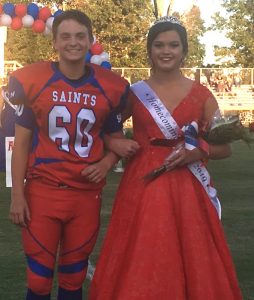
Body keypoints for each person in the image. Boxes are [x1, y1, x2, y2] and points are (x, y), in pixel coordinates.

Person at [88, 16, 243, 300]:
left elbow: (226, 148)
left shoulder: (202, 95)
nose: (166, 51)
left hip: (189, 190)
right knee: (143, 250)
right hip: (142, 186)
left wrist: (198, 152)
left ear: (184, 50)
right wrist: (115, 142)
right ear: (150, 50)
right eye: (159, 45)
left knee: (192, 255)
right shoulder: (133, 93)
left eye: (173, 45)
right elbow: (105, 131)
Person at [8, 9, 137, 300]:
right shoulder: (33, 79)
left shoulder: (110, 85)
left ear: (91, 40)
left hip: (85, 195)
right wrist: (17, 195)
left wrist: (106, 162)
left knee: (73, 279)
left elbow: (117, 142)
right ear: (54, 42)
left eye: (80, 36)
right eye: (65, 36)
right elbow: (22, 142)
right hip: (43, 192)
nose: (73, 42)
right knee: (39, 281)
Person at [0, 73, 16, 171]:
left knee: (16, 142)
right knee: (7, 140)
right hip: (8, 118)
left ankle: (14, 165)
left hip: (18, 117)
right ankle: (5, 165)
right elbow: (0, 104)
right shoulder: (3, 90)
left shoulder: (21, 90)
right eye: (9, 78)